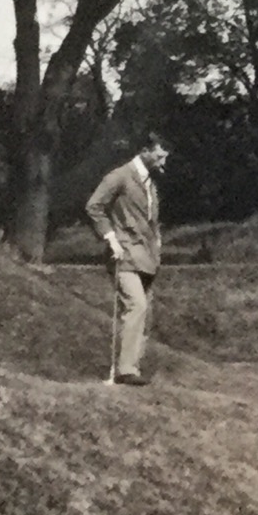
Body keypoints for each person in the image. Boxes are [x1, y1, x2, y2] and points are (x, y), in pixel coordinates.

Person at [85, 133, 169, 386]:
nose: (164, 161)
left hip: (147, 257)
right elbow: (94, 206)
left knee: (145, 314)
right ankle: (125, 370)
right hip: (124, 254)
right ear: (145, 151)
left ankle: (131, 368)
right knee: (136, 306)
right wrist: (111, 239)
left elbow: (150, 220)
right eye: (160, 155)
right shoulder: (119, 176)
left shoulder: (150, 184)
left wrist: (158, 242)